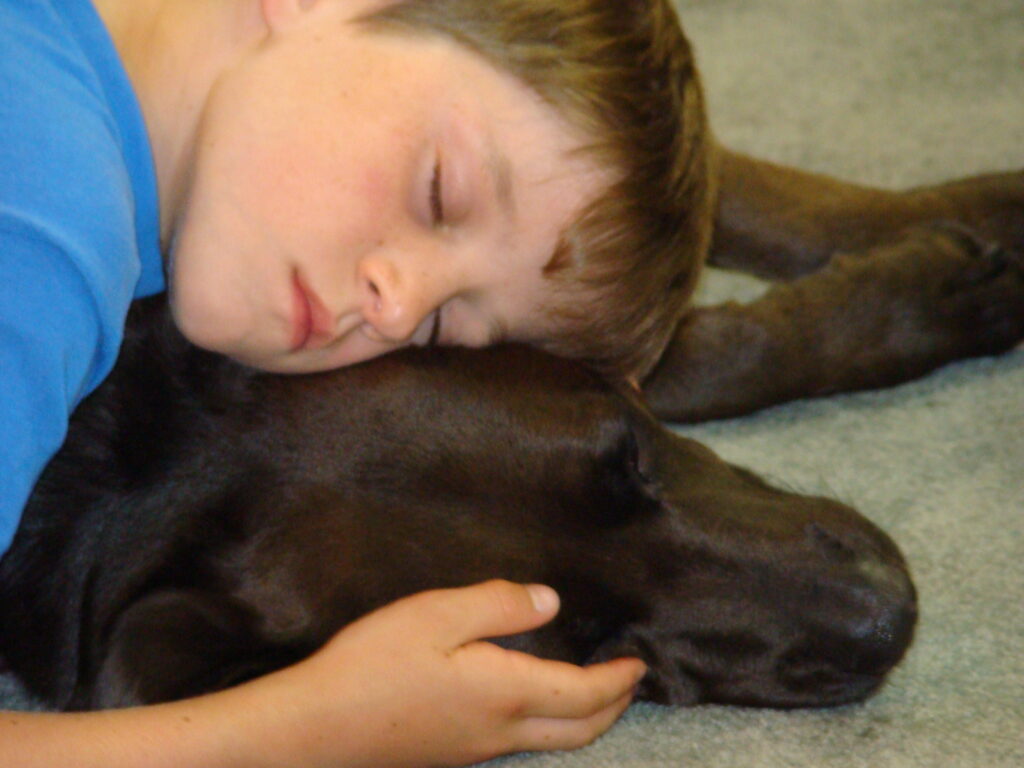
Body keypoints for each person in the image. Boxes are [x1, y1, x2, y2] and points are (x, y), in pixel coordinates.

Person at [0, 0, 711, 764]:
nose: (398, 308)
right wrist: (312, 727)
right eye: (440, 193)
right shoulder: (46, 247)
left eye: (441, 328)